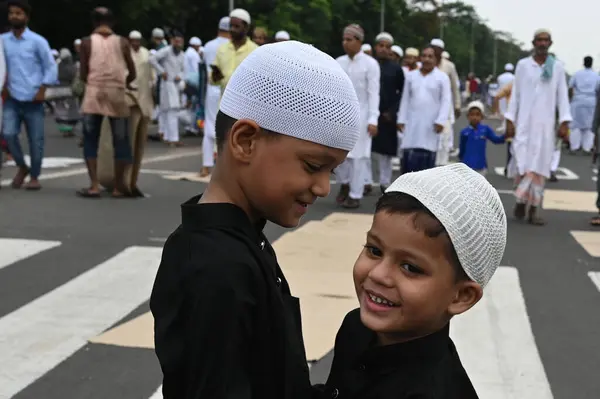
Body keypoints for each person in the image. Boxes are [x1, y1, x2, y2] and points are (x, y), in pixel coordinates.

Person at [150, 40, 361, 399]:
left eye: (333, 171)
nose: (324, 187)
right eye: (313, 166)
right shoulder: (218, 267)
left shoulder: (238, 240)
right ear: (245, 141)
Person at [320, 163, 506, 399]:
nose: (378, 274)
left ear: (461, 296)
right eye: (374, 250)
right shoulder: (355, 327)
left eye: (410, 267)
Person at [505, 29, 571, 225]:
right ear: (533, 43)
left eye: (546, 40)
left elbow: (562, 96)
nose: (542, 43)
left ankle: (534, 207)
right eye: (539, 40)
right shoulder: (523, 65)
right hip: (524, 124)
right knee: (523, 163)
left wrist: (564, 122)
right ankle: (520, 200)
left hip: (544, 126)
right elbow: (515, 93)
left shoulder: (557, 67)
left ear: (550, 43)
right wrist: (510, 119)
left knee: (540, 167)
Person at [77, 7, 136, 198]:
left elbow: (83, 73)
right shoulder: (122, 42)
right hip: (117, 94)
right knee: (121, 141)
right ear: (113, 23)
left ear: (94, 23)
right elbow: (132, 70)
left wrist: (94, 83)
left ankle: (94, 185)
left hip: (93, 93)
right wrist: (122, 83)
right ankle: (118, 187)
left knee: (90, 140)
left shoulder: (86, 42)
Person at [2, 0, 56, 190]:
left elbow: (50, 66)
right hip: (11, 98)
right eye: (11, 13)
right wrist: (3, 86)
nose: (14, 16)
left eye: (18, 13)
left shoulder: (38, 41)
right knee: (7, 134)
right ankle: (21, 166)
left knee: (36, 140)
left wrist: (42, 90)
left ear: (26, 17)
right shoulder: (2, 41)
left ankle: (34, 176)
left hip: (34, 98)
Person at [97, 30, 154, 196]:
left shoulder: (146, 54)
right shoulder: (120, 54)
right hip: (123, 101)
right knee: (122, 143)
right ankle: (117, 182)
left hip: (142, 102)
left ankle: (130, 182)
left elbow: (151, 78)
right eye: (132, 41)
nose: (135, 43)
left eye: (138, 40)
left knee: (137, 145)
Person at [335, 24, 380, 209]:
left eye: (349, 39)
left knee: (359, 157)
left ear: (359, 41)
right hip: (340, 116)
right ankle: (345, 183)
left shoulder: (370, 64)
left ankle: (355, 194)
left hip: (362, 116)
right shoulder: (338, 62)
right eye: (344, 39)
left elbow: (373, 93)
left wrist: (373, 119)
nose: (345, 43)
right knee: (338, 154)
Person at [397, 46, 451, 173]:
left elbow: (446, 101)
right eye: (424, 56)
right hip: (411, 124)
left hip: (431, 125)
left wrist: (441, 121)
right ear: (420, 58)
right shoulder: (411, 76)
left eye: (430, 56)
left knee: (427, 166)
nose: (426, 59)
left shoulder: (442, 78)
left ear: (436, 60)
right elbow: (405, 99)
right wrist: (401, 119)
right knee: (408, 162)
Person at [371, 32, 404, 193]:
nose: (383, 49)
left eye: (387, 47)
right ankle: (365, 182)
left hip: (388, 116)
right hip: (370, 113)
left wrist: (393, 112)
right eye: (381, 46)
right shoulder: (369, 65)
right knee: (367, 150)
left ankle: (385, 182)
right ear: (376, 47)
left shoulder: (396, 69)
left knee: (386, 152)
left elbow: (402, 93)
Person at [200, 16, 230, 177]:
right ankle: (222, 166)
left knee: (209, 126)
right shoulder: (230, 47)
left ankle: (206, 165)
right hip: (226, 89)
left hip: (212, 88)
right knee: (226, 127)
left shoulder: (208, 46)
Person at [149, 31, 185, 147]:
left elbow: (184, 70)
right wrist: (162, 72)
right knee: (171, 111)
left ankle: (169, 137)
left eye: (180, 41)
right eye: (176, 41)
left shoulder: (182, 54)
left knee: (171, 112)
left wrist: (181, 75)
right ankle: (173, 139)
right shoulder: (166, 51)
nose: (178, 43)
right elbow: (152, 59)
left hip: (176, 85)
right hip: (167, 85)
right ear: (172, 41)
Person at [211, 8, 258, 94]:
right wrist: (214, 76)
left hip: (245, 103)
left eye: (236, 26)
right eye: (230, 26)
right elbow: (214, 81)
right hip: (223, 103)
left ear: (246, 28)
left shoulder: (255, 50)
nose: (232, 29)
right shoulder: (222, 49)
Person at [430, 38, 461, 166]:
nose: (436, 51)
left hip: (445, 106)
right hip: (430, 105)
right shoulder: (426, 63)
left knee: (445, 134)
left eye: (438, 49)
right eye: (433, 47)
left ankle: (442, 164)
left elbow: (455, 87)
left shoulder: (449, 66)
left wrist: (457, 105)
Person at [458, 100, 505, 175]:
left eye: (477, 114)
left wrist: (506, 135)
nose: (474, 117)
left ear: (482, 116)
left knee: (480, 186)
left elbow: (496, 140)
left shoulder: (485, 129)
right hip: (466, 167)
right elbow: (461, 150)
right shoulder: (464, 132)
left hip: (481, 167)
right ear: (468, 116)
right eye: (472, 114)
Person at [568, 56, 600, 154]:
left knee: (575, 125)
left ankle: (574, 147)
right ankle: (586, 148)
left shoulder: (577, 74)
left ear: (583, 62)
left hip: (578, 100)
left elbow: (570, 87)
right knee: (589, 125)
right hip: (592, 101)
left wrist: (570, 99)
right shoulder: (596, 76)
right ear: (592, 63)